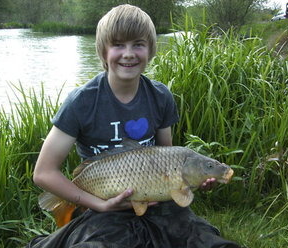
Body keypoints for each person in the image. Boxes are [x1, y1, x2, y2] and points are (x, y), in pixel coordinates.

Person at [27, 4, 240, 248]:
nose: (128, 53)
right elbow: (44, 173)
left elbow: (168, 157)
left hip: (156, 203)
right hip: (103, 203)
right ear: (103, 51)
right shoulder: (82, 102)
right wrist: (100, 204)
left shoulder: (160, 96)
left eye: (138, 44)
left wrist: (196, 178)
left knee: (205, 241)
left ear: (150, 50)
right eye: (118, 44)